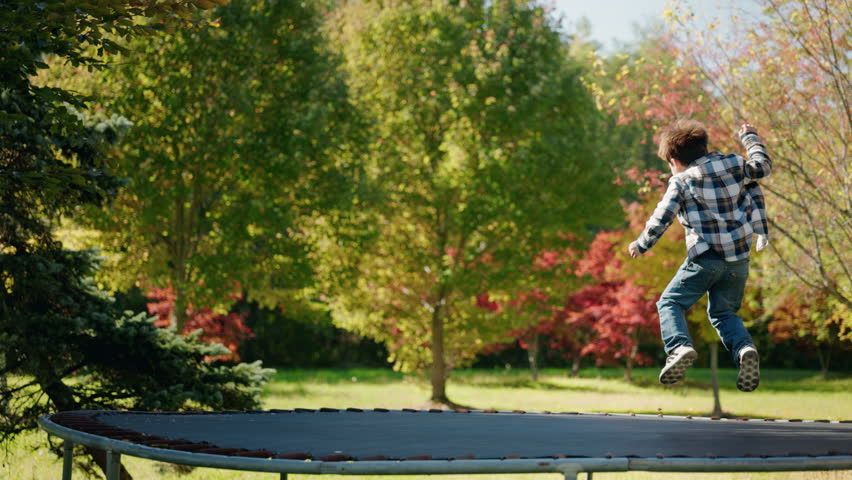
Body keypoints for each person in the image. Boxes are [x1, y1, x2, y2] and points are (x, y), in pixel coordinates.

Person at [628, 119, 772, 392]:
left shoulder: (681, 181)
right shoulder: (734, 164)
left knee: (669, 303)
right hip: (739, 261)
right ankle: (744, 350)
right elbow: (763, 165)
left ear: (674, 159)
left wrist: (641, 244)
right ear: (703, 147)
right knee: (724, 313)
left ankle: (679, 348)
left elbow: (662, 216)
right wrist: (750, 137)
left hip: (705, 258)